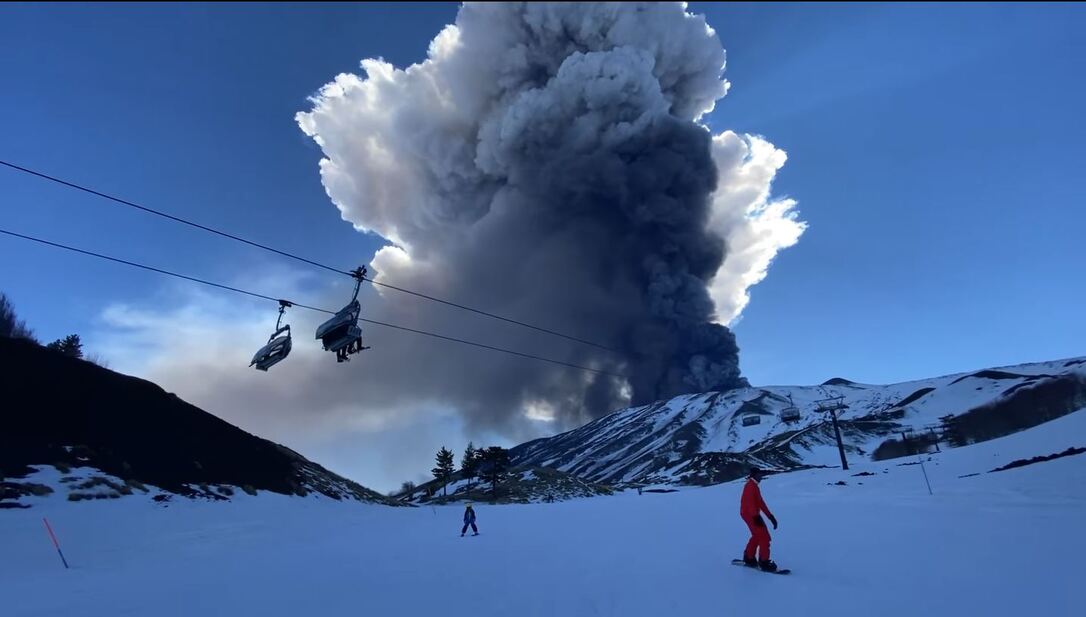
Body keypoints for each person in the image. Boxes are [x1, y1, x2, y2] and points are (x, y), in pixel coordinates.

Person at [740, 467, 778, 572]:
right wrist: (755, 517)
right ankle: (764, 562)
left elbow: (760, 503)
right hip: (750, 515)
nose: (761, 476)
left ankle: (749, 557)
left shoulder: (754, 486)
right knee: (765, 537)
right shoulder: (750, 486)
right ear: (754, 475)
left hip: (750, 514)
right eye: (759, 474)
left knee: (757, 535)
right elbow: (750, 503)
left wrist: (770, 517)